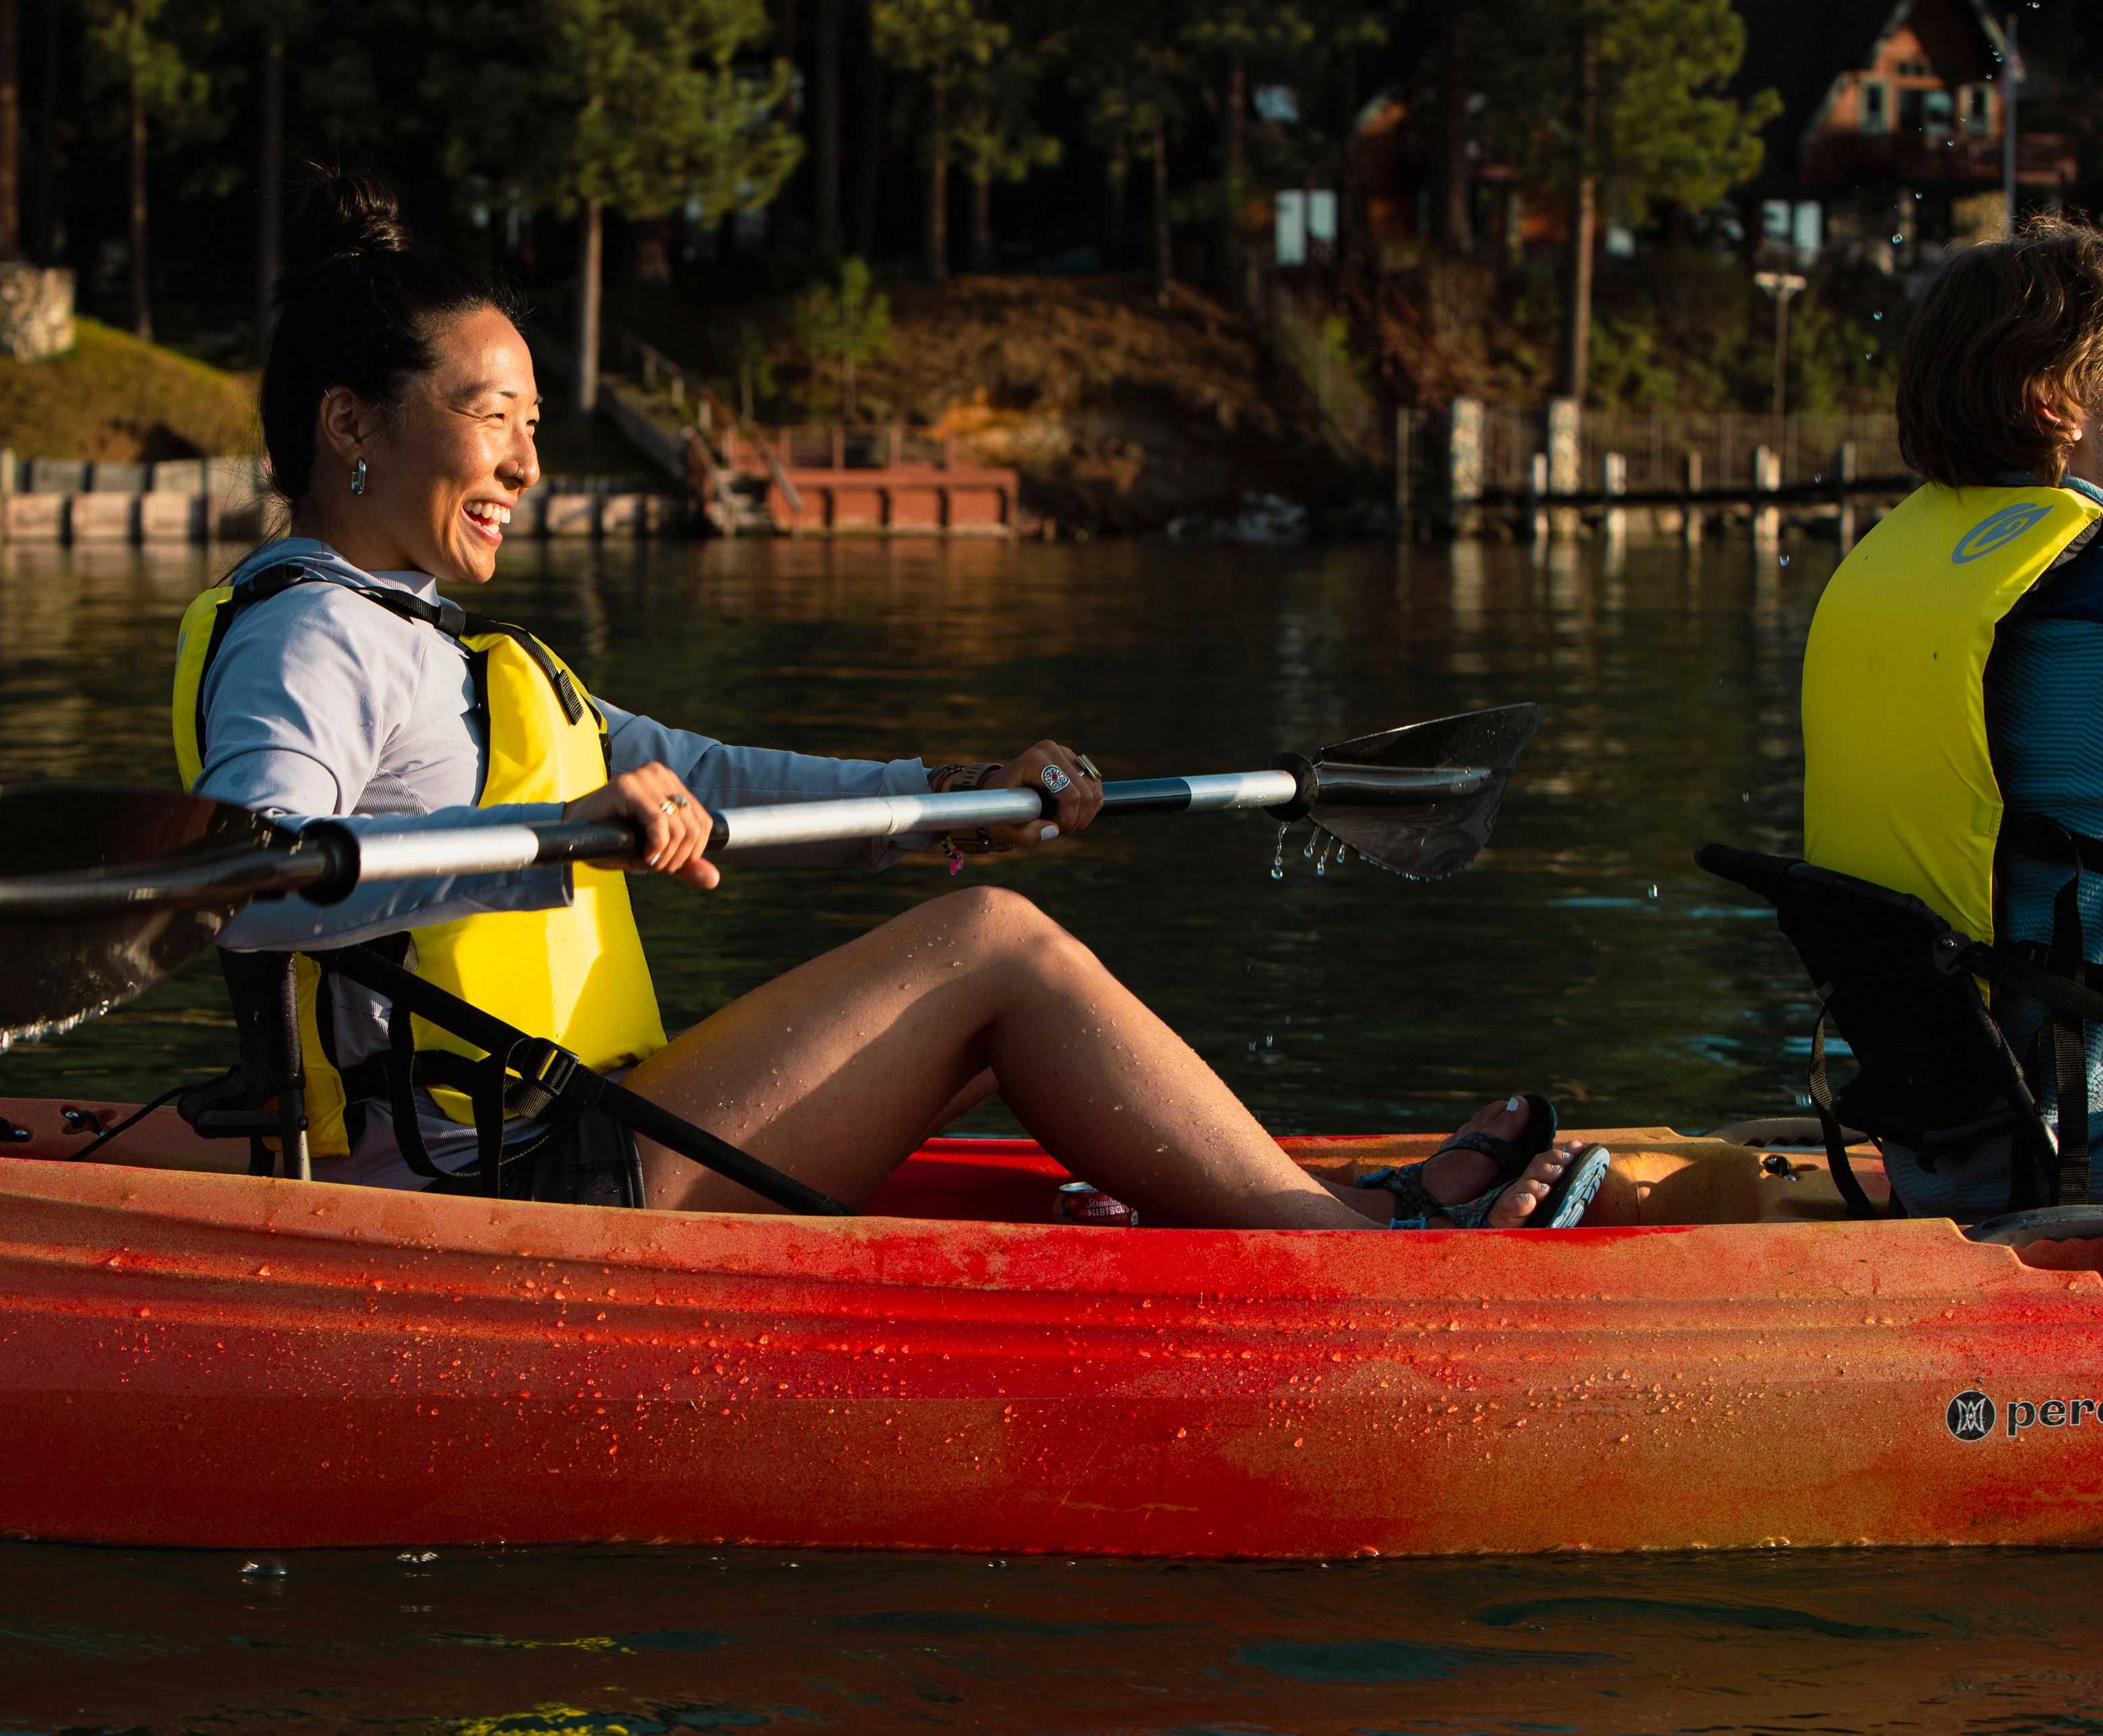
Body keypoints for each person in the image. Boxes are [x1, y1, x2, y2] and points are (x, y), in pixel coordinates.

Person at [180, 165, 1605, 1230]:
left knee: (979, 948)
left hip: (547, 1141)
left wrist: (947, 804)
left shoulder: (439, 641)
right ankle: (1358, 1253)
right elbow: (240, 885)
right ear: (352, 424)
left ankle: (1190, 1218)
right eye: (494, 418)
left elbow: (709, 776)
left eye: (536, 427)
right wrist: (557, 838)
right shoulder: (313, 637)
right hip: (487, 1191)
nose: (528, 467)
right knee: (997, 955)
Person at [1798, 214, 2103, 1217]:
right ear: (2056, 404)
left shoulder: (1900, 565)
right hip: (2071, 1142)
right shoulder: (2081, 595)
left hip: (1951, 1123)